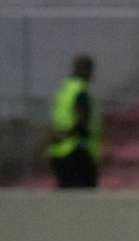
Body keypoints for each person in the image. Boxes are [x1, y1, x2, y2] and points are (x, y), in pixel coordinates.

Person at [48, 55, 100, 188]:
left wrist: (57, 136)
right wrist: (66, 134)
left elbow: (58, 118)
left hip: (59, 151)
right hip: (77, 151)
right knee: (83, 199)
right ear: (85, 70)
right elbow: (81, 121)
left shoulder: (64, 90)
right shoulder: (80, 91)